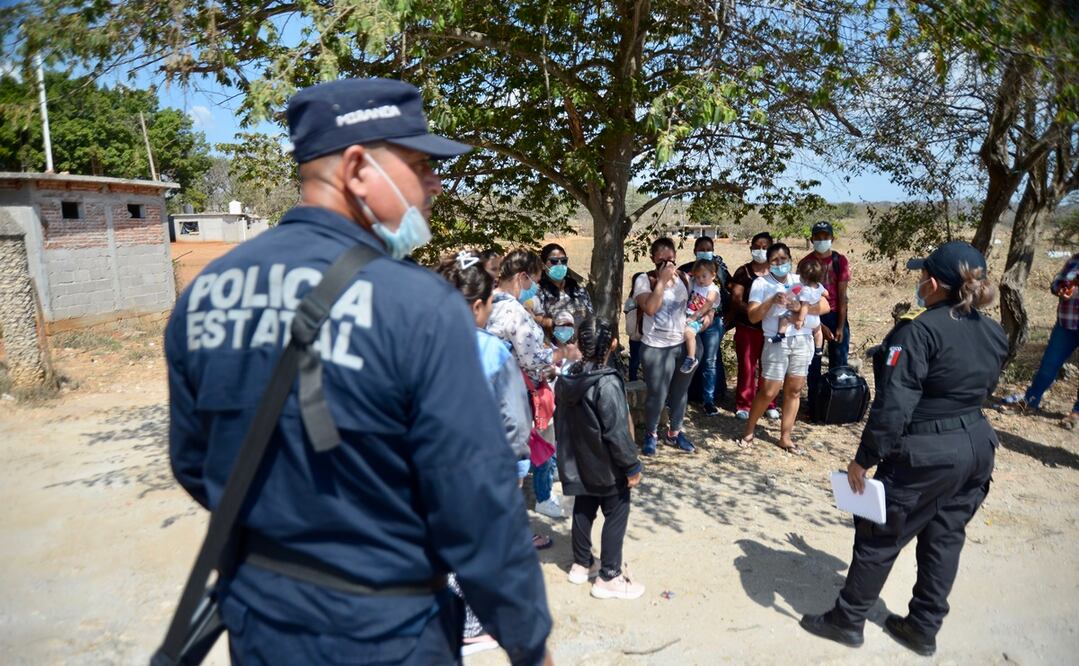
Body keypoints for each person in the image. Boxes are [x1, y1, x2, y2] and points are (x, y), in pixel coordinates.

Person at [165, 79, 551, 665]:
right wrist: (528, 640)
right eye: (418, 166)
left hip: (261, 623)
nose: (434, 185)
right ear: (356, 169)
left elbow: (194, 463)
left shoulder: (204, 295)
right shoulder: (420, 306)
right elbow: (478, 502)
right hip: (387, 631)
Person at [800, 241, 1007, 657]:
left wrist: (864, 459)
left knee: (879, 535)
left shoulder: (919, 331)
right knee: (944, 539)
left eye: (922, 276)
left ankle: (847, 620)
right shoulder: (992, 331)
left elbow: (894, 406)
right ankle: (923, 628)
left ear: (934, 284)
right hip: (976, 446)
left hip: (926, 451)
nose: (919, 283)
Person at [436, 249, 534, 655]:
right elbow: (514, 418)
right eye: (490, 301)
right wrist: (518, 465)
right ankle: (472, 626)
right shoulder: (492, 352)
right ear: (476, 306)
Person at [554, 316, 645, 600]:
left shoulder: (567, 379)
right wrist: (631, 465)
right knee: (617, 513)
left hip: (578, 461)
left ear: (580, 344)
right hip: (607, 466)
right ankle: (609, 575)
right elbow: (616, 431)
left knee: (584, 507)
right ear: (613, 344)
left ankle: (582, 564)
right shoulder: (606, 383)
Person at [487, 248, 578, 522]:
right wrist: (560, 355)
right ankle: (543, 497)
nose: (535, 287)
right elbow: (532, 359)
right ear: (522, 277)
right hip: (524, 392)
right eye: (535, 281)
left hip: (496, 392)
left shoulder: (487, 304)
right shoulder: (515, 312)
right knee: (542, 444)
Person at [737, 242, 830, 453]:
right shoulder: (761, 283)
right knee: (770, 390)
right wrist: (771, 300)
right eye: (775, 260)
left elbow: (825, 305)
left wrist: (801, 307)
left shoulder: (801, 279)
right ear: (768, 263)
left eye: (783, 259)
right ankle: (749, 430)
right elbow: (753, 316)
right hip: (776, 341)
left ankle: (785, 437)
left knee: (794, 390)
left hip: (802, 339)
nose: (780, 263)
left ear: (790, 259)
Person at [632, 237, 700, 455]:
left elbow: (699, 305)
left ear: (676, 258)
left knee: (680, 393)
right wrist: (661, 281)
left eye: (670, 259)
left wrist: (702, 320)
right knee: (657, 394)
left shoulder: (685, 279)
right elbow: (650, 308)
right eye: (661, 260)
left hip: (683, 345)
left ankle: (674, 433)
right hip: (655, 346)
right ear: (653, 259)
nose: (666, 264)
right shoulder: (645, 280)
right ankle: (650, 434)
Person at [1002, 252, 1079, 420]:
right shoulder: (1075, 260)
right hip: (1065, 324)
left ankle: (1076, 414)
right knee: (1048, 365)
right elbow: (1057, 283)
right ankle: (1030, 401)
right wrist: (1060, 289)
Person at [800, 221, 852, 418]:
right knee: (813, 362)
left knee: (839, 363)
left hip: (836, 315)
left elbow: (842, 296)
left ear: (832, 238)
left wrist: (840, 325)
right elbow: (801, 296)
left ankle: (837, 404)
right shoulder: (805, 263)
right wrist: (819, 325)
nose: (821, 240)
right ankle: (814, 406)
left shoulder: (840, 261)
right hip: (812, 317)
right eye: (818, 237)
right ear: (812, 239)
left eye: (825, 237)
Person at [730, 232, 779, 421]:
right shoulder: (743, 272)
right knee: (747, 366)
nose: (760, 250)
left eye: (765, 247)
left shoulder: (777, 272)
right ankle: (744, 404)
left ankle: (769, 403)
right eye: (757, 247)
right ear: (751, 248)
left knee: (770, 366)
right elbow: (736, 299)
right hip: (748, 328)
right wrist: (755, 312)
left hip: (772, 328)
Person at [680, 235, 731, 414]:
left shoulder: (721, 271)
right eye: (701, 249)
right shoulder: (687, 271)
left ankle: (709, 399)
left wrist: (716, 315)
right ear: (694, 250)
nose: (705, 252)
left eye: (708, 249)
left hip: (712, 324)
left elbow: (727, 296)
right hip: (689, 321)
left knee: (710, 361)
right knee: (688, 356)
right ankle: (685, 395)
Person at [534, 243, 593, 339]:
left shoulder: (579, 290)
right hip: (552, 346)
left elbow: (590, 319)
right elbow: (533, 320)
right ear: (543, 265)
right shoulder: (537, 292)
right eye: (554, 261)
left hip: (580, 345)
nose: (559, 264)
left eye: (563, 260)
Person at [771, 259, 828, 357]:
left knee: (785, 317)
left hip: (806, 318)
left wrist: (800, 320)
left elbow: (804, 306)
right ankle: (818, 349)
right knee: (818, 331)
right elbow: (826, 293)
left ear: (804, 278)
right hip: (816, 319)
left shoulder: (805, 290)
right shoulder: (819, 286)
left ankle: (780, 334)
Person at [679, 259, 721, 375]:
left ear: (713, 275)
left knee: (689, 333)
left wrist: (696, 315)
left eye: (704, 276)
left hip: (699, 317)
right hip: (687, 314)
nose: (700, 280)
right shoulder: (695, 283)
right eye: (697, 277)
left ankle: (691, 358)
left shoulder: (713, 289)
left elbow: (708, 304)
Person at [623, 294, 643, 381]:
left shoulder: (630, 302)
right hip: (637, 337)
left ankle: (634, 378)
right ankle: (633, 378)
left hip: (636, 336)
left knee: (635, 359)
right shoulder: (630, 301)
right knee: (635, 359)